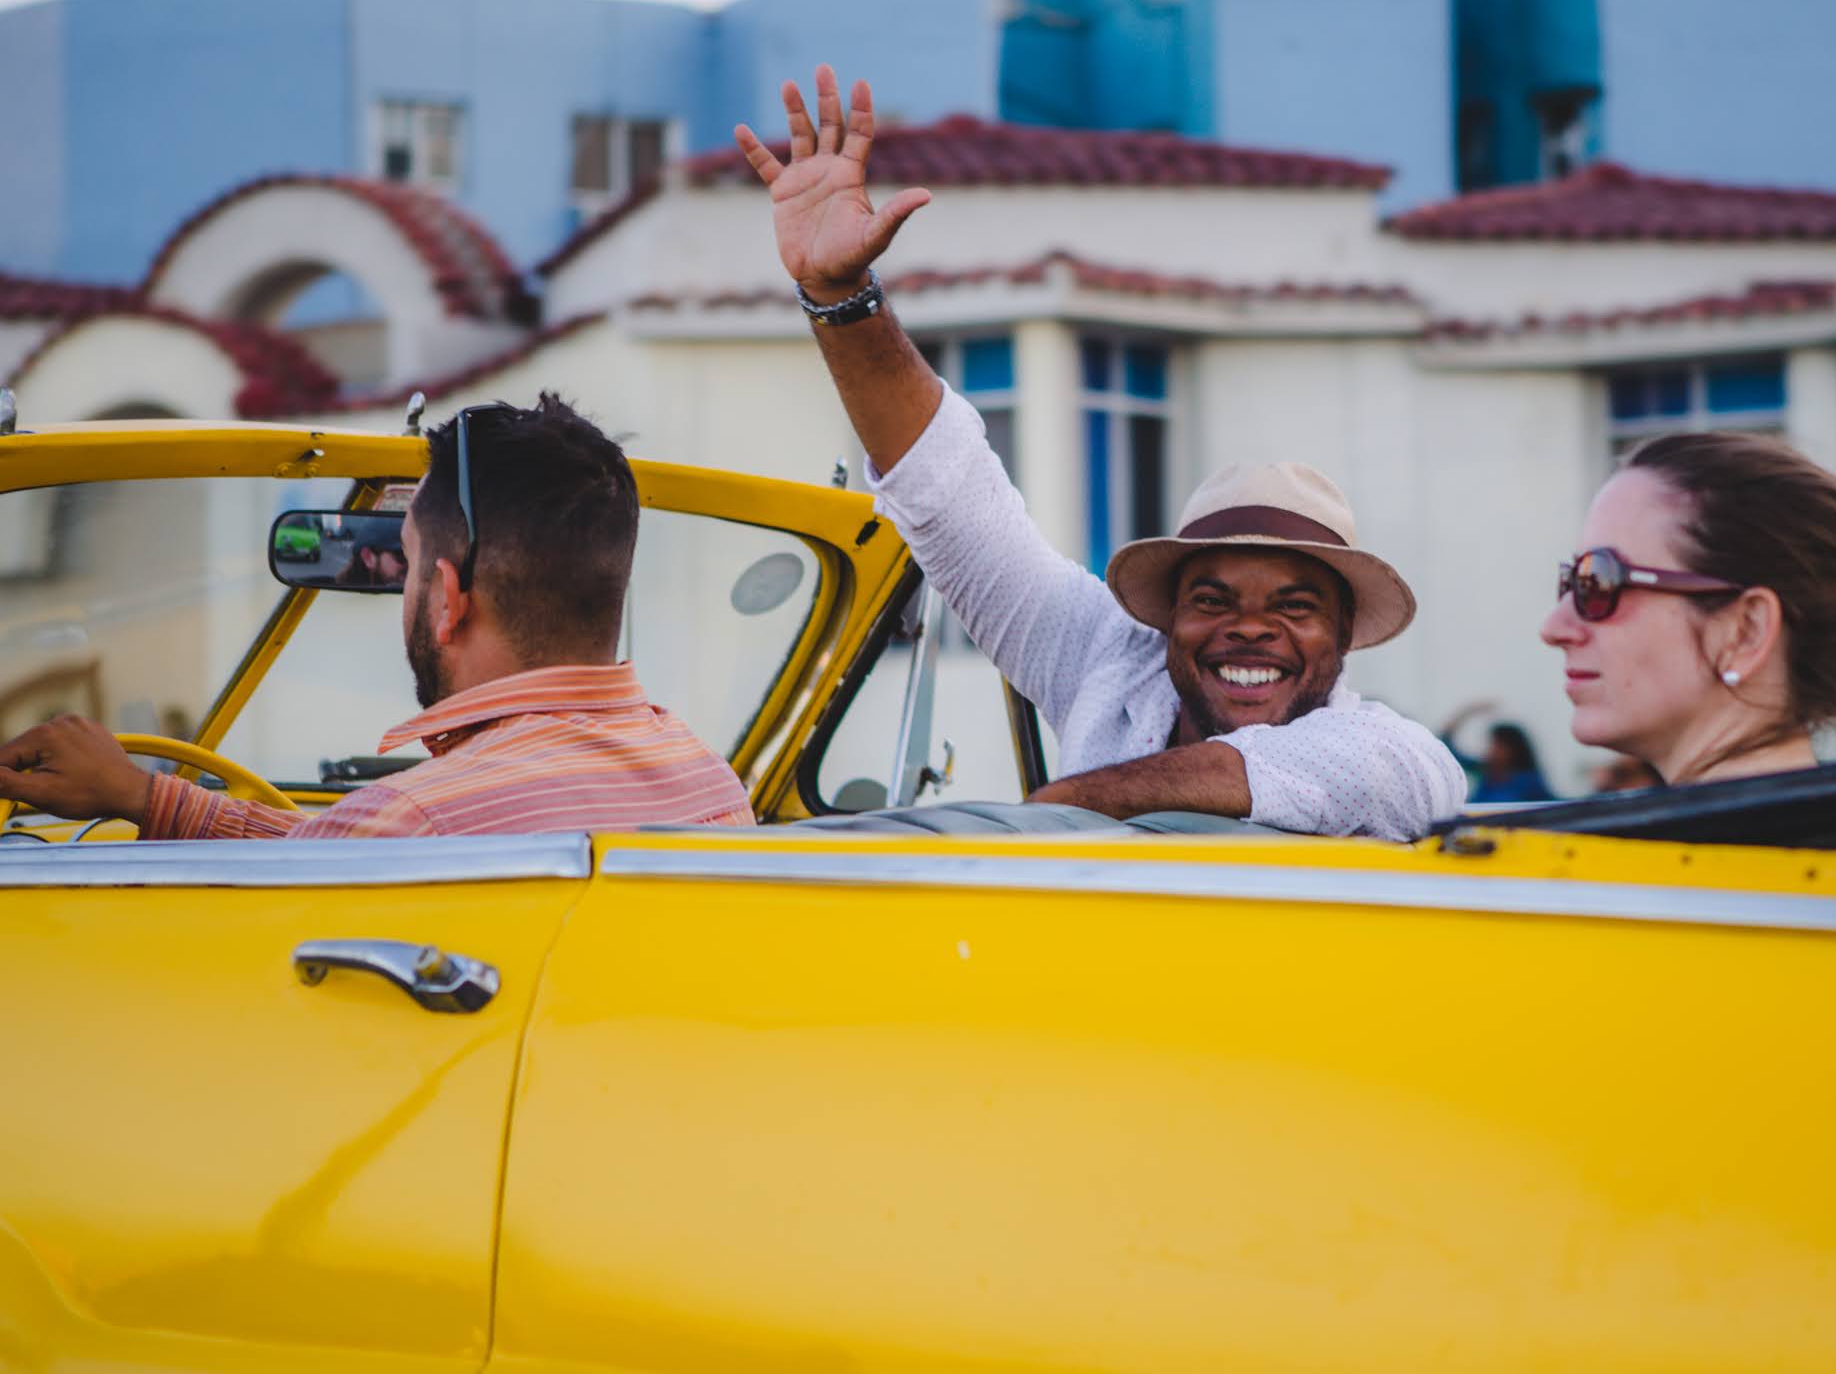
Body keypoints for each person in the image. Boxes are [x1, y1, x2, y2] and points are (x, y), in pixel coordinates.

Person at [730, 65, 1465, 840]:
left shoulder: (1392, 755)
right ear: (1167, 620)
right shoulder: (1109, 665)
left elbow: (1255, 773)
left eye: (1295, 605)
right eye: (1212, 600)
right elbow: (947, 498)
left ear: (1344, 639)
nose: (1250, 629)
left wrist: (1051, 812)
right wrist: (840, 296)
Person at [0, 395, 754, 837]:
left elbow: (342, 863)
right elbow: (336, 855)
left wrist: (145, 802)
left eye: (409, 561)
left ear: (449, 599)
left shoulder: (415, 819)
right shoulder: (715, 788)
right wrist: (148, 797)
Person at [1539, 431, 1836, 785]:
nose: (1554, 627)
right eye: (1571, 581)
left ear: (1746, 630)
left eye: (1599, 582)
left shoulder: (1717, 882)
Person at [1437, 701, 1556, 803]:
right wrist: (1469, 710)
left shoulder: (1528, 781)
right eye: (1491, 744)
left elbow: (1551, 807)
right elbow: (1446, 748)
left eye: (1498, 746)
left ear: (1513, 750)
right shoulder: (1487, 772)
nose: (1491, 749)